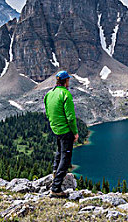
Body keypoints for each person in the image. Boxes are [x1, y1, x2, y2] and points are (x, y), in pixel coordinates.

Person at [44, 70, 79, 198]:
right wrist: (75, 132)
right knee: (66, 158)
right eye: (68, 80)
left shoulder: (49, 94)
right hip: (65, 131)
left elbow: (47, 112)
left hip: (56, 129)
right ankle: (56, 188)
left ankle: (55, 173)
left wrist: (55, 125)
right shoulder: (65, 94)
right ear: (66, 80)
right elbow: (70, 117)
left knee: (59, 152)